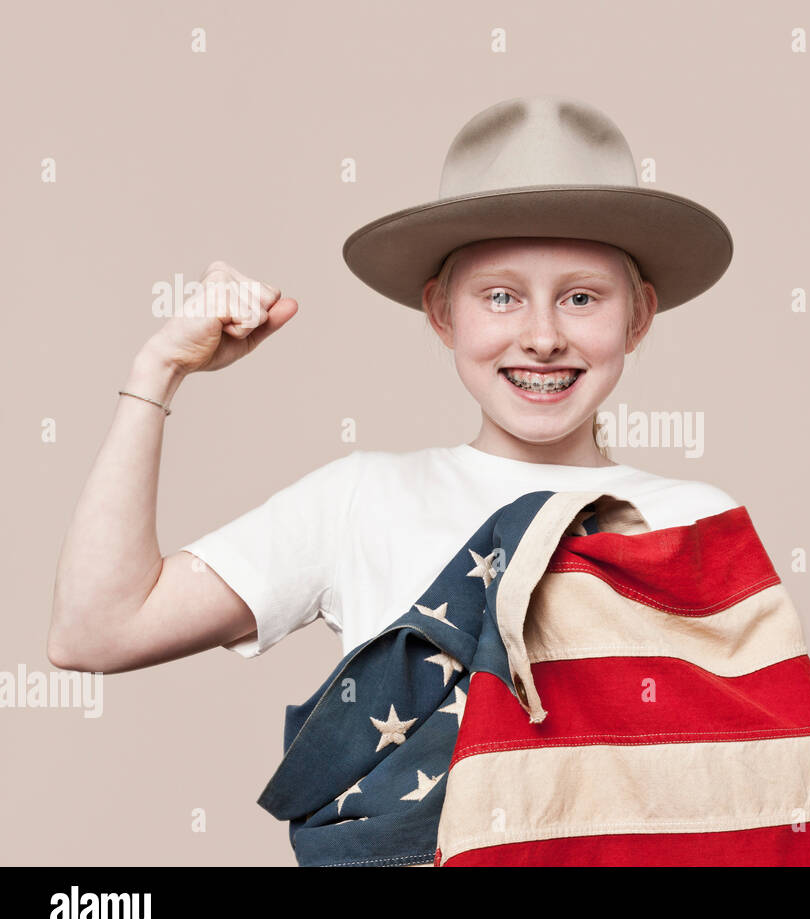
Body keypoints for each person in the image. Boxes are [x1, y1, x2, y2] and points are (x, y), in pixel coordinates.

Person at [46, 95, 738, 673]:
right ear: (441, 312)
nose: (543, 336)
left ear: (639, 315)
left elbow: (755, 777)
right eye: (500, 297)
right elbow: (97, 632)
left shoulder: (699, 523)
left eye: (581, 299)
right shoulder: (360, 501)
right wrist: (157, 370)